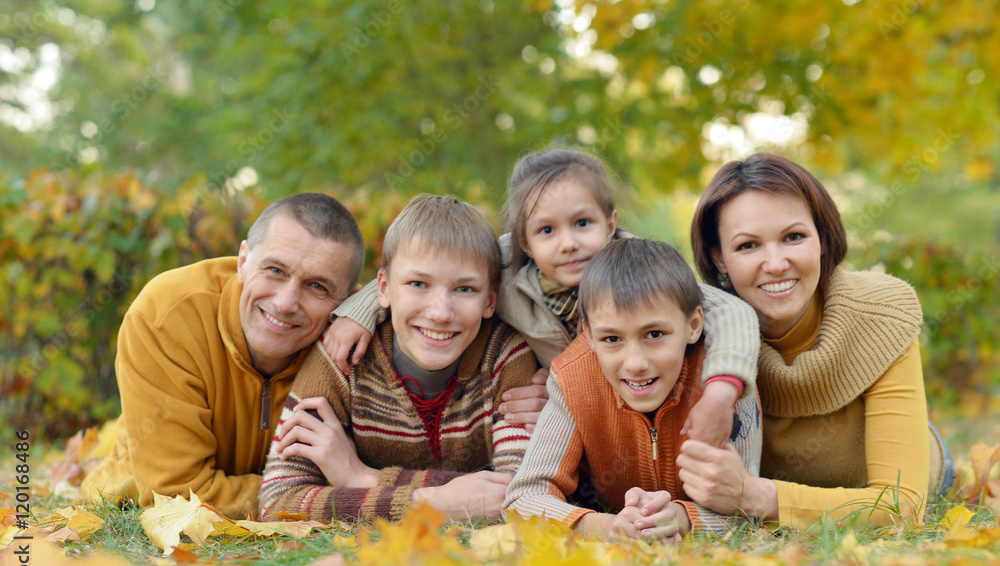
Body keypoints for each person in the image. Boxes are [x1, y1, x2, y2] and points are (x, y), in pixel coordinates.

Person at [325, 148, 761, 448]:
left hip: (647, 408)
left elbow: (732, 311)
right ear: (525, 242)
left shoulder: (645, 271)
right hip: (573, 420)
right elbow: (428, 269)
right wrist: (361, 311)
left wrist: (722, 392)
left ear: (611, 224)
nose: (568, 243)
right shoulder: (506, 269)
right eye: (547, 230)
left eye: (582, 223)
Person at [684, 152, 953, 529]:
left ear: (822, 239)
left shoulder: (881, 314)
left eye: (793, 237)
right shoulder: (696, 333)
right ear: (719, 258)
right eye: (748, 246)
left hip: (919, 475)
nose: (775, 263)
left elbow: (902, 505)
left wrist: (756, 497)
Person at [82, 193, 365, 518]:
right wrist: (326, 497)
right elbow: (177, 490)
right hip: (137, 499)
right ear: (243, 261)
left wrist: (368, 311)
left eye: (317, 286)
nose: (286, 302)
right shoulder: (167, 314)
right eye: (275, 270)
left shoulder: (354, 341)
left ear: (348, 302)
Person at [258, 194, 538, 523]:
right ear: (384, 288)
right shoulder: (341, 357)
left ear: (490, 301)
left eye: (464, 289)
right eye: (418, 284)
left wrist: (360, 478)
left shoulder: (505, 355)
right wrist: (425, 503)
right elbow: (278, 501)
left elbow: (518, 494)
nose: (440, 312)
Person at [503, 238, 762, 540]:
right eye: (612, 339)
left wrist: (683, 518)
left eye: (654, 334)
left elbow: (748, 502)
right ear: (588, 334)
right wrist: (604, 527)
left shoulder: (725, 381)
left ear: (693, 325)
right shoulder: (572, 380)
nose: (635, 363)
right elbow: (522, 499)